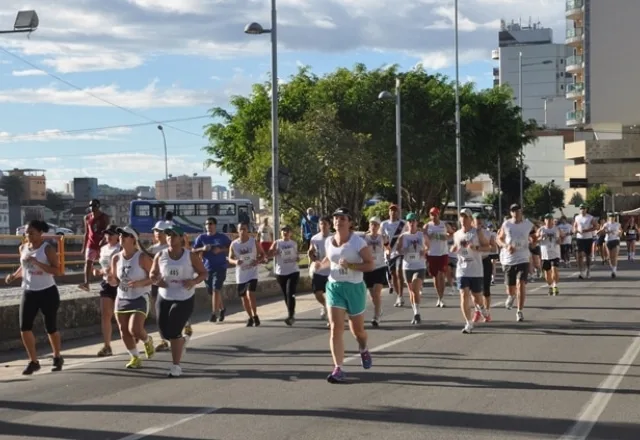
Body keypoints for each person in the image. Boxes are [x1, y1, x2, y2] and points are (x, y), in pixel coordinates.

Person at [313, 207, 374, 384]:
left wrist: (351, 266)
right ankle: (338, 368)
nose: (338, 221)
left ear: (350, 222)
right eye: (336, 218)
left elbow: (370, 265)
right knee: (335, 328)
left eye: (342, 218)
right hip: (334, 287)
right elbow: (329, 260)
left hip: (354, 288)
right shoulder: (329, 241)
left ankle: (363, 348)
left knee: (358, 331)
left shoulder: (358, 243)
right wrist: (318, 265)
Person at [4, 220, 64, 375]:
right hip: (29, 291)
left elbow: (57, 271)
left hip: (47, 291)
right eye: (26, 232)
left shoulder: (47, 249)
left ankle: (57, 356)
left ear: (40, 233)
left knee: (50, 328)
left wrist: (37, 262)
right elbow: (24, 267)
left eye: (31, 232)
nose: (28, 235)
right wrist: (14, 276)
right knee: (24, 328)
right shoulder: (23, 248)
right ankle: (33, 361)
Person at [150, 224, 208, 377]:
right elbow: (152, 273)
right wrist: (157, 281)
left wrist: (193, 282)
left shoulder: (190, 256)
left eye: (174, 235)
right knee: (164, 333)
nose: (170, 238)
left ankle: (176, 366)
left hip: (184, 297)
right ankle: (182, 341)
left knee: (174, 330)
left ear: (181, 238)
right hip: (165, 295)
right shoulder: (160, 255)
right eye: (168, 235)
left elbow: (203, 273)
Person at [108, 225, 155, 369]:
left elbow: (155, 276)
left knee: (134, 329)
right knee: (123, 330)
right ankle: (135, 357)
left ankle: (147, 340)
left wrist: (141, 283)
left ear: (133, 239)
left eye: (124, 235)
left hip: (140, 296)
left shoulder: (142, 257)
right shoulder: (116, 258)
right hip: (122, 297)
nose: (121, 237)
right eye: (120, 235)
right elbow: (114, 278)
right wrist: (111, 280)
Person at [451, 209, 490, 334]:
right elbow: (454, 247)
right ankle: (468, 323)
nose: (463, 220)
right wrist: (454, 248)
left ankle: (482, 308)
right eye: (461, 217)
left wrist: (476, 247)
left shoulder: (477, 233)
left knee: (477, 297)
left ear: (470, 219)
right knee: (463, 294)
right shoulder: (456, 234)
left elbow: (488, 247)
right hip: (462, 270)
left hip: (476, 270)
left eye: (466, 217)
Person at [496, 204, 534, 322]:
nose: (515, 213)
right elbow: (499, 238)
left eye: (517, 210)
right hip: (509, 259)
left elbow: (535, 235)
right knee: (510, 289)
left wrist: (534, 241)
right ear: (511, 213)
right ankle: (511, 296)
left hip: (523, 258)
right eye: (513, 211)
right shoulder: (506, 224)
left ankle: (519, 311)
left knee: (521, 283)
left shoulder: (528, 224)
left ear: (521, 211)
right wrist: (506, 246)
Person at [192, 217, 231, 322]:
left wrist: (221, 249)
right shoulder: (201, 238)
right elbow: (193, 251)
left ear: (215, 225)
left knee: (216, 289)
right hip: (207, 268)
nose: (208, 226)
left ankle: (214, 313)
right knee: (212, 292)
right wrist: (202, 249)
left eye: (211, 224)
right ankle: (222, 308)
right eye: (207, 224)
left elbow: (231, 248)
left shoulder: (222, 237)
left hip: (220, 267)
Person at [229, 222, 266, 326]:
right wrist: (236, 262)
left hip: (252, 272)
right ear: (237, 230)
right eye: (240, 229)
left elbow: (262, 254)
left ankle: (255, 315)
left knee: (250, 293)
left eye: (244, 229)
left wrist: (257, 261)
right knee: (244, 297)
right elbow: (230, 258)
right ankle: (250, 317)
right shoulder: (234, 244)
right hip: (241, 274)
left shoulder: (253, 242)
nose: (242, 231)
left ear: (247, 230)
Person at [93, 224, 121, 357]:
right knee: (105, 315)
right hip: (106, 283)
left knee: (121, 317)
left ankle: (134, 335)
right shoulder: (103, 249)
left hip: (120, 284)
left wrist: (108, 271)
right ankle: (107, 345)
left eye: (111, 234)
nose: (108, 236)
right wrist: (97, 271)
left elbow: (118, 266)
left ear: (118, 236)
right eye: (106, 234)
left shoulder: (120, 249)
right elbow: (103, 266)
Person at [397, 213, 429, 324]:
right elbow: (398, 249)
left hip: (419, 266)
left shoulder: (421, 235)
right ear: (407, 223)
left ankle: (417, 313)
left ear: (417, 222)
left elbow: (427, 246)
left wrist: (424, 251)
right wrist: (403, 251)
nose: (411, 223)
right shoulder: (403, 236)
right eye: (409, 221)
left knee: (415, 288)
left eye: (413, 221)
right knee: (411, 291)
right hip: (407, 266)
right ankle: (415, 312)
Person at [269, 225, 300, 325]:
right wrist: (274, 252)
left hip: (293, 271)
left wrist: (297, 258)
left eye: (287, 230)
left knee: (290, 292)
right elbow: (269, 253)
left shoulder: (294, 243)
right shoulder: (277, 243)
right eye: (283, 231)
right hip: (281, 272)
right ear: (281, 233)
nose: (285, 232)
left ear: (291, 233)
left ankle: (290, 315)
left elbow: (297, 255)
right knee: (286, 294)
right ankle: (291, 312)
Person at [78, 199, 110, 292]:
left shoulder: (104, 217)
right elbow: (87, 233)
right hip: (91, 244)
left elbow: (107, 231)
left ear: (98, 206)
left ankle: (108, 281)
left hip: (103, 245)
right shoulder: (87, 217)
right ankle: (86, 283)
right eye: (91, 206)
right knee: (88, 263)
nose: (92, 208)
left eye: (94, 206)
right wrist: (83, 247)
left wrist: (104, 241)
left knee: (105, 263)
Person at [424, 207, 452, 308]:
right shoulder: (427, 226)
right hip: (432, 254)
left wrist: (444, 237)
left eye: (435, 214)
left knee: (442, 275)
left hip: (443, 253)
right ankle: (438, 297)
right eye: (431, 214)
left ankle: (442, 297)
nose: (433, 216)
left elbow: (452, 234)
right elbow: (422, 237)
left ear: (438, 215)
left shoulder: (444, 225)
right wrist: (427, 238)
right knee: (435, 276)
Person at [363, 216, 387, 327]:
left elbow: (388, 247)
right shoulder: (364, 238)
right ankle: (379, 308)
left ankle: (376, 316)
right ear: (369, 225)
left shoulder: (382, 237)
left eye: (376, 225)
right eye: (372, 224)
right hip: (368, 267)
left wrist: (388, 253)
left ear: (379, 227)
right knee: (372, 295)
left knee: (377, 293)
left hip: (380, 267)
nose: (373, 226)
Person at [380, 204, 406, 307]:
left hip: (400, 252)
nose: (393, 212)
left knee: (399, 272)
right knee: (393, 274)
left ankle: (401, 294)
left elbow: (408, 235)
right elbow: (382, 238)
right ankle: (398, 295)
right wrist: (386, 250)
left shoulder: (403, 224)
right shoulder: (384, 224)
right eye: (391, 210)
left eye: (395, 210)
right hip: (389, 252)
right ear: (389, 212)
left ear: (398, 212)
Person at [308, 216, 332, 322]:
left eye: (325, 224)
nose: (323, 226)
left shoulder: (334, 237)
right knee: (317, 293)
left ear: (329, 225)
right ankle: (325, 305)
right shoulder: (315, 238)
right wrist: (311, 256)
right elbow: (311, 251)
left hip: (331, 270)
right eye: (321, 224)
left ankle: (331, 313)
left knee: (331, 294)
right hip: (319, 270)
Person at [537, 214, 563, 295]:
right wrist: (541, 238)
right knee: (547, 273)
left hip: (555, 253)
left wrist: (559, 240)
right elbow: (535, 239)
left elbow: (561, 238)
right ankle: (550, 286)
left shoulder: (557, 229)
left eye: (550, 219)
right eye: (547, 219)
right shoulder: (541, 229)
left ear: (552, 220)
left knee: (554, 268)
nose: (548, 221)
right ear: (544, 221)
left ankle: (555, 285)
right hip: (545, 254)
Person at [573, 204, 597, 279]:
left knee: (588, 256)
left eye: (584, 208)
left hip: (588, 238)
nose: (582, 210)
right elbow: (574, 227)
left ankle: (588, 270)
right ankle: (581, 272)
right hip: (579, 238)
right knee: (580, 255)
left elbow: (596, 226)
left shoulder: (590, 217)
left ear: (586, 209)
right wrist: (576, 230)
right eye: (581, 208)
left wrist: (587, 230)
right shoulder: (577, 217)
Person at [601, 212, 621, 278]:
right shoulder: (606, 224)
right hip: (608, 241)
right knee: (609, 257)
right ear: (608, 218)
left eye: (613, 217)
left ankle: (614, 271)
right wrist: (605, 231)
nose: (612, 218)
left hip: (615, 240)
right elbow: (602, 231)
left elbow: (621, 232)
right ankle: (612, 268)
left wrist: (619, 233)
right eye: (610, 217)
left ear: (614, 218)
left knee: (614, 256)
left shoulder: (618, 224)